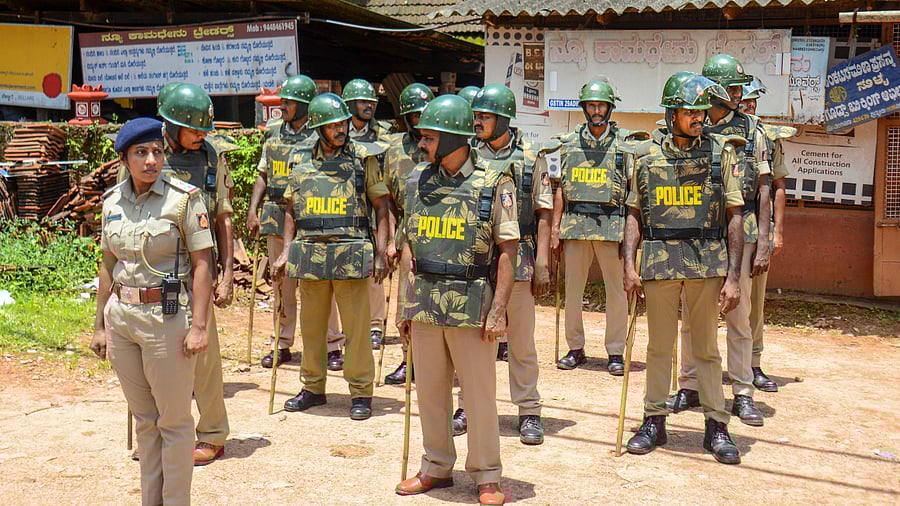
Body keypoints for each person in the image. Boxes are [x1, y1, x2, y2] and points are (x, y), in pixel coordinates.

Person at [394, 94, 515, 506]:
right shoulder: (416, 181)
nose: (421, 145)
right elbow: (407, 248)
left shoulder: (494, 183)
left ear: (451, 139)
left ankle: (486, 474)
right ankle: (435, 467)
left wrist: (499, 310)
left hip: (472, 304)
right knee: (429, 391)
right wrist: (403, 306)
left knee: (479, 395)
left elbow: (508, 252)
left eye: (429, 138)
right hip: (426, 303)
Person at [623, 73, 745, 465]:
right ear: (672, 112)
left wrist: (733, 276)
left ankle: (716, 425)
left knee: (705, 349)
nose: (698, 117)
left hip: (707, 262)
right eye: (690, 111)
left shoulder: (719, 152)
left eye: (701, 110)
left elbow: (735, 215)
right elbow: (633, 214)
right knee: (658, 346)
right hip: (659, 261)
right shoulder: (645, 158)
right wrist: (628, 264)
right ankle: (654, 419)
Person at [91, 117, 214, 505]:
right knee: (146, 423)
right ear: (124, 159)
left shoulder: (183, 199)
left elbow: (202, 266)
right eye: (140, 153)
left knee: (174, 423)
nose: (150, 160)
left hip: (166, 319)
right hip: (123, 320)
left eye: (157, 152)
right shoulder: (112, 201)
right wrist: (99, 325)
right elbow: (108, 264)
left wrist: (199, 327)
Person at [272, 92, 391, 420]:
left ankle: (361, 391)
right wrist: (285, 251)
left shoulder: (362, 159)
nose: (341, 129)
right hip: (310, 255)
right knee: (311, 328)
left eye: (342, 123)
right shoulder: (300, 160)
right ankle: (313, 387)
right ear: (318, 128)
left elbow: (381, 206)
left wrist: (381, 253)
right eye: (333, 125)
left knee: (356, 329)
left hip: (350, 253)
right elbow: (291, 211)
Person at [668, 55, 771, 427]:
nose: (735, 94)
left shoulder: (753, 130)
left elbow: (763, 190)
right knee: (691, 317)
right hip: (696, 237)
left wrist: (764, 241)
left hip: (738, 235)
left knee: (738, 315)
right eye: (729, 88)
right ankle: (690, 384)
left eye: (737, 88)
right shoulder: (689, 126)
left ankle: (742, 391)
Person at [462, 83, 551, 445]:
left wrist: (544, 261)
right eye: (477, 116)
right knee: (473, 340)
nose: (478, 122)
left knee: (521, 342)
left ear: (503, 118)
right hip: (478, 260)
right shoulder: (468, 154)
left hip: (522, 259)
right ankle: (467, 405)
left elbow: (544, 210)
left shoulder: (532, 156)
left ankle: (528, 410)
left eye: (485, 116)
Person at [157, 83, 233, 465]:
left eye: (205, 129)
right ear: (170, 125)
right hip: (155, 270)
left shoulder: (210, 157)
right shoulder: (149, 154)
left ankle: (213, 434)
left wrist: (228, 273)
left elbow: (223, 215)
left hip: (198, 271)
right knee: (157, 358)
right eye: (194, 129)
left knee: (204, 358)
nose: (201, 135)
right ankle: (161, 434)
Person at [247, 74, 345, 368]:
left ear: (304, 105)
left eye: (289, 102)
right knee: (282, 285)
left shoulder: (318, 134)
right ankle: (282, 342)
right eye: (283, 101)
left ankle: (332, 345)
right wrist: (254, 209)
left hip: (311, 216)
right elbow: (263, 173)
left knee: (320, 283)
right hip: (276, 214)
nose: (283, 107)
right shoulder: (273, 131)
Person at [551, 79, 647, 374]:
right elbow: (559, 189)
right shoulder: (567, 145)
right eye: (591, 105)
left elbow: (634, 193)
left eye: (601, 105)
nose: (596, 110)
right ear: (583, 108)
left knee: (617, 292)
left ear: (609, 107)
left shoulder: (624, 147)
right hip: (575, 227)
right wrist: (555, 229)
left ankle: (615, 352)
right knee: (573, 291)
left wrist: (634, 237)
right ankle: (575, 348)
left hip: (612, 227)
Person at [741, 77, 794, 392]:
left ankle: (753, 363)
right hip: (718, 228)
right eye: (743, 99)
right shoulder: (711, 132)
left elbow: (778, 187)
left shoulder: (769, 138)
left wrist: (777, 232)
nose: (748, 105)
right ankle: (697, 375)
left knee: (755, 303)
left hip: (756, 226)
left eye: (752, 100)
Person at [382, 82, 433, 386]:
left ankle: (439, 362)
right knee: (407, 302)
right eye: (413, 115)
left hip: (443, 233)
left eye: (424, 113)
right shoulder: (393, 149)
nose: (419, 120)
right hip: (407, 235)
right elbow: (388, 199)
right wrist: (390, 239)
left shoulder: (449, 143)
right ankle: (407, 357)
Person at [343, 78, 393, 350]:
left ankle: (376, 326)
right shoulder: (338, 132)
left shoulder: (383, 134)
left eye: (372, 102)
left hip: (376, 208)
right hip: (347, 211)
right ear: (349, 104)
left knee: (375, 267)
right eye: (363, 101)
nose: (369, 106)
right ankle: (349, 326)